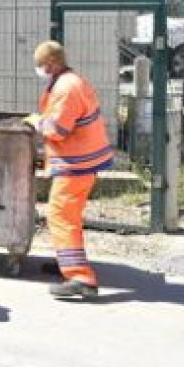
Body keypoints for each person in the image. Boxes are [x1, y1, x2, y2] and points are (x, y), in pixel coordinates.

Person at [26, 41, 112, 301]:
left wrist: (35, 121)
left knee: (61, 215)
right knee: (67, 215)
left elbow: (57, 130)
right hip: (84, 160)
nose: (39, 71)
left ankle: (80, 277)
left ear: (51, 64)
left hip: (77, 163)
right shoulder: (73, 80)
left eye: (40, 66)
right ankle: (67, 261)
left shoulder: (66, 88)